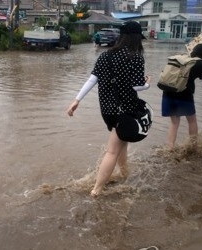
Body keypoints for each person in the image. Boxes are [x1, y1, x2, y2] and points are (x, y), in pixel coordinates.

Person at [67, 21, 150, 197]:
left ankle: (125, 173)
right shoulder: (135, 57)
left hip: (107, 110)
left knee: (122, 142)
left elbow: (92, 79)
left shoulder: (106, 55)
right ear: (136, 38)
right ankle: (97, 189)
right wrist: (147, 84)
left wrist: (77, 100)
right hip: (125, 110)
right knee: (112, 150)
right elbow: (137, 87)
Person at [161, 43, 202, 149]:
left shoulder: (183, 59)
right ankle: (193, 146)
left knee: (174, 123)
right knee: (192, 120)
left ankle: (170, 148)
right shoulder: (200, 63)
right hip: (184, 95)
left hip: (168, 92)